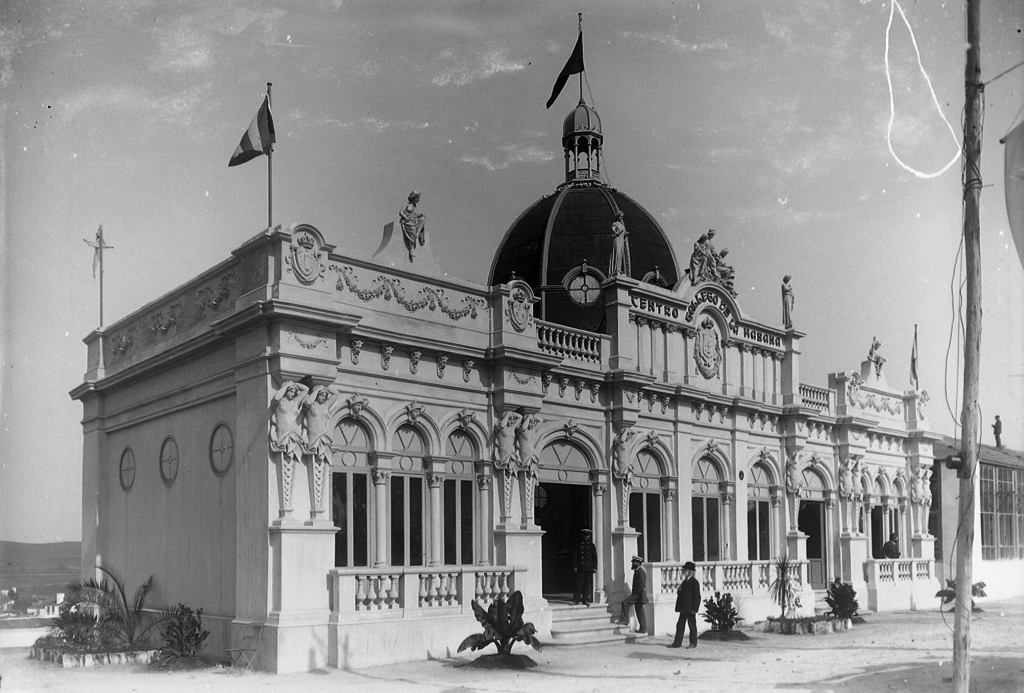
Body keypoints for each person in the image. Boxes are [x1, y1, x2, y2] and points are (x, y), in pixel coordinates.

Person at [669, 561, 700, 649]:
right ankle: (677, 643)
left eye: (685, 570)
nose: (683, 571)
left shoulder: (694, 582)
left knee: (692, 626)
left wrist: (694, 609)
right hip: (684, 608)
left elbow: (697, 597)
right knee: (680, 625)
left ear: (690, 571)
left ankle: (693, 643)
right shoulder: (685, 581)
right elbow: (681, 592)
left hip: (690, 609)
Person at [618, 555, 648, 633]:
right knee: (639, 611)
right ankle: (643, 629)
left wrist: (635, 595)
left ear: (638, 563)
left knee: (625, 603)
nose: (633, 564)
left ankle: (625, 621)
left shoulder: (640, 572)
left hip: (638, 595)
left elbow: (641, 585)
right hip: (639, 595)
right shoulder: (639, 571)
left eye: (634, 562)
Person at [572, 528, 598, 606]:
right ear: (582, 535)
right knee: (578, 584)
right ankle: (576, 600)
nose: (586, 537)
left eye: (588, 535)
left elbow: (594, 557)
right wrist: (575, 565)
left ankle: (585, 599)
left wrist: (595, 567)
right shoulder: (578, 545)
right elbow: (575, 556)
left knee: (587, 585)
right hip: (580, 567)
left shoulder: (592, 546)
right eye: (585, 535)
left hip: (589, 567)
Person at [399, 191, 426, 262]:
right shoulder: (407, 204)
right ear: (413, 198)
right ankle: (411, 248)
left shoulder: (414, 206)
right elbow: (401, 212)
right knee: (412, 228)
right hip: (406, 221)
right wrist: (405, 217)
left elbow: (414, 215)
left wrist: (419, 215)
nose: (418, 200)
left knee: (423, 219)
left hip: (413, 220)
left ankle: (417, 234)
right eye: (417, 198)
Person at [609, 211, 630, 276]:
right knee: (617, 252)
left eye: (622, 217)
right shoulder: (615, 224)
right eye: (620, 216)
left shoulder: (622, 225)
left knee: (620, 254)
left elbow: (622, 233)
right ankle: (615, 269)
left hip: (621, 240)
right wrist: (616, 232)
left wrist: (625, 234)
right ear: (617, 217)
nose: (621, 218)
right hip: (617, 239)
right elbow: (614, 230)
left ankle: (618, 268)